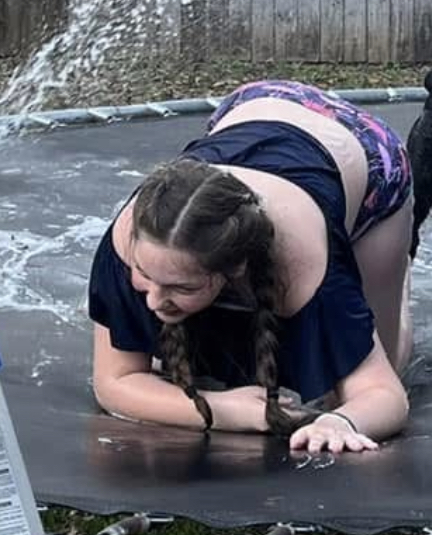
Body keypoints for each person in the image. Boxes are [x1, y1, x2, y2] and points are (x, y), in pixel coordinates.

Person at [88, 79, 414, 455]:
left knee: (371, 374)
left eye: (181, 287)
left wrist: (339, 422)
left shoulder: (305, 267)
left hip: (366, 151)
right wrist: (222, 410)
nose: (153, 301)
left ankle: (398, 280)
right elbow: (113, 383)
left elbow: (385, 396)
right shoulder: (132, 235)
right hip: (255, 105)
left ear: (235, 269)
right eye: (145, 276)